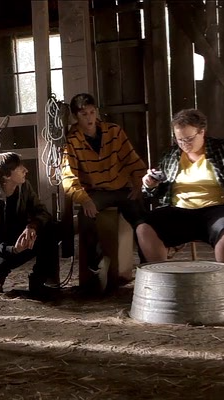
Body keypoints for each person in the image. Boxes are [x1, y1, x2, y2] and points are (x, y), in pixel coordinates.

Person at [137, 108, 224, 309]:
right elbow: (155, 193)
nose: (184, 144)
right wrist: (149, 184)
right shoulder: (171, 155)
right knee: (145, 226)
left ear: (202, 131)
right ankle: (163, 285)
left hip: (218, 208)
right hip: (180, 210)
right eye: (179, 139)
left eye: (189, 138)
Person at [61, 93, 148, 290]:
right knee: (86, 218)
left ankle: (148, 264)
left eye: (92, 112)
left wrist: (138, 183)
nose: (89, 118)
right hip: (96, 192)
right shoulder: (72, 141)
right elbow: (68, 175)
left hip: (122, 188)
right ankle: (96, 265)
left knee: (141, 218)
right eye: (84, 114)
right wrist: (83, 199)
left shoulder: (114, 131)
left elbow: (132, 159)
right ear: (75, 116)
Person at [0, 152, 60, 295]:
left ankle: (38, 280)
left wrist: (32, 227)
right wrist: (13, 249)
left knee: (52, 228)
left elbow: (42, 212)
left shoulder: (24, 187)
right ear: (6, 175)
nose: (25, 170)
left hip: (19, 240)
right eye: (19, 167)